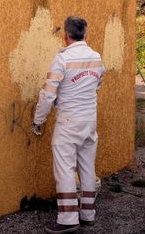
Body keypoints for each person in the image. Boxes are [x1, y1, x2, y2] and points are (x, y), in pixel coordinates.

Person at [31, 16, 105, 233]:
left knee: (64, 169)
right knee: (87, 168)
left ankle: (67, 219)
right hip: (89, 120)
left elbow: (47, 94)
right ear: (85, 34)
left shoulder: (61, 60)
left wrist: (38, 120)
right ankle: (88, 214)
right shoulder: (96, 58)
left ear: (65, 35)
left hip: (68, 121)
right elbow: (97, 84)